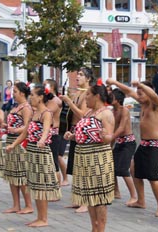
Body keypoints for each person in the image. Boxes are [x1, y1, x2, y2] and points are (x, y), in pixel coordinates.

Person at [106, 78, 158, 217]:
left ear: (149, 92)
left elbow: (154, 96)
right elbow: (128, 91)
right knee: (133, 169)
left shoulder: (156, 104)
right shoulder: (143, 104)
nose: (139, 94)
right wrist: (115, 82)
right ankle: (141, 200)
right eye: (138, 92)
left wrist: (140, 85)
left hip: (155, 145)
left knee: (152, 177)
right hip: (144, 144)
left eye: (142, 91)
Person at [64, 79, 115, 232]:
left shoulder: (106, 113)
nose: (85, 98)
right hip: (84, 157)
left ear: (97, 96)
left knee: (99, 197)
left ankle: (101, 228)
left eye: (88, 95)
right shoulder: (89, 112)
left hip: (98, 158)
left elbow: (109, 137)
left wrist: (104, 136)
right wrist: (72, 136)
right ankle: (94, 227)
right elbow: (86, 133)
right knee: (90, 196)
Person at [6, 86, 61, 227]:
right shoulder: (34, 113)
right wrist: (14, 144)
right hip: (31, 151)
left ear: (41, 97)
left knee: (41, 186)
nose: (30, 97)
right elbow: (25, 133)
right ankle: (39, 217)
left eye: (32, 95)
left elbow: (47, 129)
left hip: (41, 153)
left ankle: (44, 219)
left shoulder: (46, 113)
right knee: (35, 186)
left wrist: (42, 139)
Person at [60, 67, 93, 213]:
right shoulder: (78, 92)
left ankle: (86, 202)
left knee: (83, 169)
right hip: (74, 132)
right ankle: (78, 199)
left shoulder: (88, 94)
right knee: (76, 168)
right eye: (77, 74)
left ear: (88, 79)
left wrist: (69, 101)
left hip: (82, 134)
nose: (77, 77)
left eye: (81, 75)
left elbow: (83, 115)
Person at [3, 82, 33, 214]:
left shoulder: (26, 107)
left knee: (21, 175)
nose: (12, 94)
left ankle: (28, 205)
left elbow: (27, 127)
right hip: (10, 140)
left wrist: (14, 130)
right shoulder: (16, 106)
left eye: (15, 91)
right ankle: (16, 204)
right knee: (12, 174)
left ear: (22, 93)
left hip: (20, 142)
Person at [110, 88, 137, 205]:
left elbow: (121, 128)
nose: (109, 99)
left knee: (123, 169)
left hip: (128, 143)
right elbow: (112, 128)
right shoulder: (111, 111)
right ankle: (116, 191)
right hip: (118, 142)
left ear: (118, 100)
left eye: (112, 97)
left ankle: (134, 196)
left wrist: (110, 138)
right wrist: (109, 145)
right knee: (111, 168)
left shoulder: (124, 110)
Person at [44, 79, 62, 185]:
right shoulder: (49, 101)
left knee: (54, 161)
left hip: (54, 133)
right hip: (49, 132)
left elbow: (47, 114)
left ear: (51, 87)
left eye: (44, 86)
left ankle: (57, 187)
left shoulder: (55, 101)